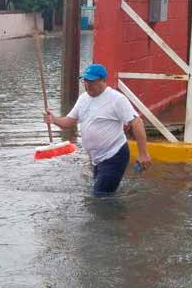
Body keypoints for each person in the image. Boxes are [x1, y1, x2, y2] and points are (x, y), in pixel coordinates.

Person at [44, 64, 152, 196]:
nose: (88, 85)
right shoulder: (83, 99)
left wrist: (143, 153)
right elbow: (69, 121)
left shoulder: (117, 99)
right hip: (96, 159)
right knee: (101, 194)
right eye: (85, 81)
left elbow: (137, 122)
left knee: (99, 197)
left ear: (103, 80)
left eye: (92, 81)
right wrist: (53, 119)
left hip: (114, 155)